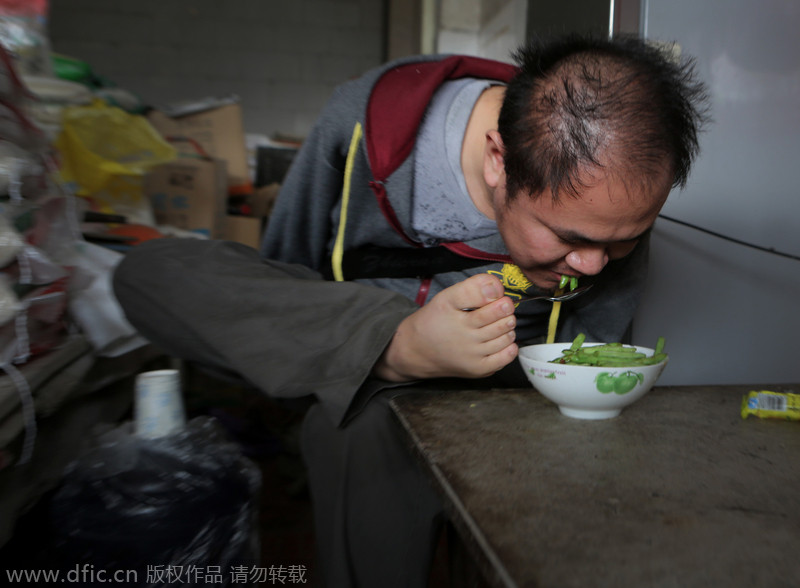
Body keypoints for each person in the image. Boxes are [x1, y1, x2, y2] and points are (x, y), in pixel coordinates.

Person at [113, 34, 707, 587]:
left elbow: (590, 362)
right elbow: (285, 277)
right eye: (569, 238)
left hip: (506, 402)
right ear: (498, 160)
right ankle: (392, 347)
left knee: (363, 439)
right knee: (151, 273)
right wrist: (393, 344)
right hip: (355, 375)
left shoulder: (609, 208)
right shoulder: (366, 127)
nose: (596, 266)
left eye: (625, 239)